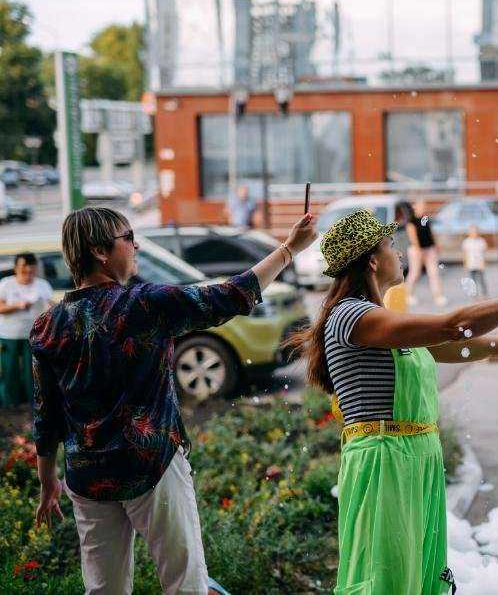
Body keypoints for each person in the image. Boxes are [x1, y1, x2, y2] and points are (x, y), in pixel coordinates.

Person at [30, 206, 317, 594]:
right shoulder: (143, 305)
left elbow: (46, 414)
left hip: (87, 477)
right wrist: (288, 250)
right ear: (100, 251)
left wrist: (48, 481)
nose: (135, 246)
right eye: (128, 237)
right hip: (152, 466)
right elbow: (231, 295)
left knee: (103, 589)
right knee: (185, 583)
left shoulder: (47, 326)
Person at [289, 209, 498, 594]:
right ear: (372, 261)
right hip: (383, 459)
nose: (400, 254)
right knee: (386, 578)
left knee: (421, 578)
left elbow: (488, 344)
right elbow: (453, 326)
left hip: (417, 456)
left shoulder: (387, 323)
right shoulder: (352, 316)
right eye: (391, 246)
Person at [0, 253, 53, 407]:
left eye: (31, 269)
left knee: (33, 372)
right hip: (9, 335)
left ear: (35, 269)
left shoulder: (42, 284)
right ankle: (10, 404)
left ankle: (34, 404)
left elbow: (50, 305)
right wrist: (19, 305)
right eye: (24, 268)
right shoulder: (6, 284)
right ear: (16, 268)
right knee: (10, 370)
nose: (27, 272)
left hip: (34, 336)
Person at [404, 199, 448, 308]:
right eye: (421, 205)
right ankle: (407, 295)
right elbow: (413, 236)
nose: (424, 207)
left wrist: (436, 245)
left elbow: (431, 233)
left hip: (430, 249)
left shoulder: (426, 219)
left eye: (424, 205)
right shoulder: (411, 221)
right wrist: (419, 250)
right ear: (415, 207)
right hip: (416, 250)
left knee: (434, 273)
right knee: (415, 273)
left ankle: (438, 296)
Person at [461, 224, 489, 299]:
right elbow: (464, 254)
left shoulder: (481, 241)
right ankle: (475, 295)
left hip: (479, 263)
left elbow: (484, 253)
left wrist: (484, 262)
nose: (474, 233)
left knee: (481, 279)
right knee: (472, 280)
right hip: (471, 264)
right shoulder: (466, 242)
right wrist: (465, 264)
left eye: (475, 231)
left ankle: (484, 294)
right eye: (472, 231)